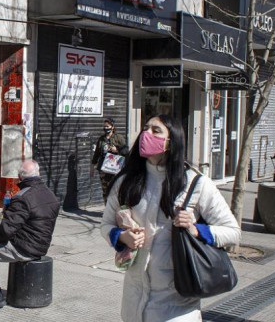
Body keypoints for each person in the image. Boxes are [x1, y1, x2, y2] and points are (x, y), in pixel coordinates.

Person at [101, 114, 240, 322]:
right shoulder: (126, 181)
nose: (146, 134)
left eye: (155, 131)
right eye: (145, 129)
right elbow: (106, 224)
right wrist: (122, 237)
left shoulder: (196, 184)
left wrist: (196, 229)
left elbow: (233, 232)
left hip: (177, 306)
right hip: (133, 303)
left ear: (171, 141)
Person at [0, 160, 60, 310]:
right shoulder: (50, 194)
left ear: (20, 177)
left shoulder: (22, 197)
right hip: (41, 245)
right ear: (38, 174)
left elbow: (7, 230)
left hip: (24, 247)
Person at [91, 117, 129, 203]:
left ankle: (116, 209)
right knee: (105, 190)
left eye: (107, 126)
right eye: (104, 126)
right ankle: (107, 209)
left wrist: (117, 149)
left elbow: (126, 150)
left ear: (112, 127)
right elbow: (96, 153)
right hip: (103, 168)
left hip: (115, 168)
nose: (106, 128)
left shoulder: (118, 137)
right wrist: (92, 166)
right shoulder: (101, 139)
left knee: (115, 189)